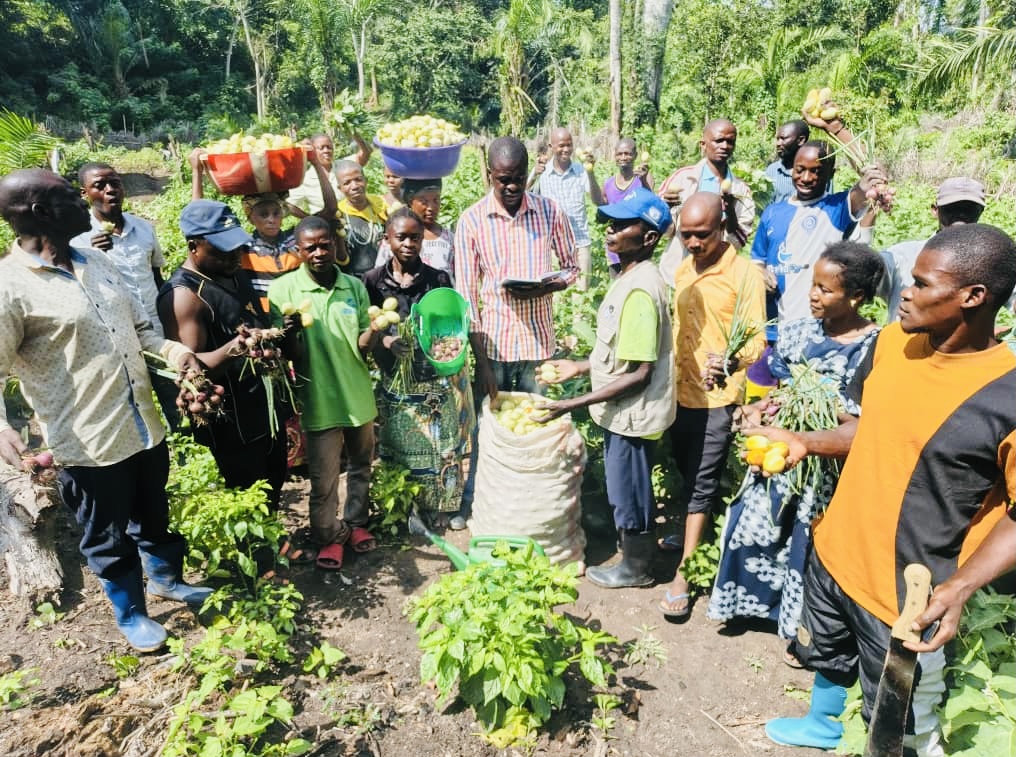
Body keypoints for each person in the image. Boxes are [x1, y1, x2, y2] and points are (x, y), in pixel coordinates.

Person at [752, 223, 1016, 756]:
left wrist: (960, 588)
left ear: (972, 297)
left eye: (921, 284)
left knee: (898, 721)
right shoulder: (894, 343)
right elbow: (867, 427)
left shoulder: (1006, 394)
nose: (905, 294)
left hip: (907, 593)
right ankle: (823, 726)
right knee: (827, 655)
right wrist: (805, 442)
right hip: (838, 551)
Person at [0, 169, 210, 652]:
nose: (83, 201)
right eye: (70, 196)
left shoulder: (96, 260)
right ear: (42, 212)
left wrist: (177, 354)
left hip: (143, 422)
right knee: (106, 534)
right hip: (88, 439)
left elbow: (142, 332)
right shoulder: (10, 287)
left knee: (153, 513)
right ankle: (131, 611)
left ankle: (167, 580)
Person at [706, 242, 883, 646]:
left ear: (856, 297)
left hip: (825, 463)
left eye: (825, 289)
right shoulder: (798, 332)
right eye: (813, 285)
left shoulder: (874, 347)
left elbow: (862, 420)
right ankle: (746, 605)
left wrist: (819, 406)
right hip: (778, 450)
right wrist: (760, 409)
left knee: (807, 539)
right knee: (754, 522)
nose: (813, 295)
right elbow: (780, 389)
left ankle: (797, 628)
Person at [537, 187, 674, 588]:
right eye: (610, 223)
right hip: (625, 410)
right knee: (627, 483)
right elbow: (621, 356)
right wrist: (579, 366)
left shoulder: (640, 291)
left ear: (649, 237)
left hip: (632, 414)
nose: (610, 231)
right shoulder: (630, 276)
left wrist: (571, 405)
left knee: (629, 487)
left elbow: (639, 374)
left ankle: (636, 569)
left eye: (622, 225)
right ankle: (632, 552)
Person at [452, 135, 578, 530]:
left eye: (518, 178)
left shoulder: (549, 212)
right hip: (494, 345)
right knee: (485, 430)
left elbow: (572, 266)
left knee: (535, 428)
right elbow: (466, 298)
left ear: (527, 174)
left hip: (538, 345)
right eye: (503, 179)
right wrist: (481, 363)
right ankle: (473, 502)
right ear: (489, 175)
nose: (511, 187)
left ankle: (531, 510)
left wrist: (547, 287)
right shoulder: (472, 220)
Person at [657, 193, 767, 619]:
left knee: (703, 482)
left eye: (701, 235)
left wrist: (731, 360)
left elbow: (756, 338)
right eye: (685, 235)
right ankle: (692, 537)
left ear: (722, 227)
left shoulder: (744, 274)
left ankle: (685, 574)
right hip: (679, 392)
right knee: (687, 471)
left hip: (717, 398)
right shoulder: (684, 268)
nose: (693, 243)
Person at [157, 200, 290, 511]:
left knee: (274, 483)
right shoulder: (185, 297)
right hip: (235, 424)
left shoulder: (230, 270)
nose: (234, 256)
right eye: (223, 249)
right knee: (248, 500)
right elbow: (193, 374)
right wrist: (236, 348)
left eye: (236, 248)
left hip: (265, 408)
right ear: (194, 246)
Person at [267, 216, 381, 571]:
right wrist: (288, 333)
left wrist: (375, 329)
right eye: (310, 247)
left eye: (324, 245)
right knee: (323, 478)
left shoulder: (353, 286)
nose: (319, 253)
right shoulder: (283, 291)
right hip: (319, 399)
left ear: (334, 244)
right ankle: (329, 535)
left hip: (357, 394)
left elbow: (361, 345)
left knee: (361, 465)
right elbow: (290, 355)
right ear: (298, 250)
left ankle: (356, 522)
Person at [364, 208, 475, 520]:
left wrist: (445, 349)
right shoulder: (372, 281)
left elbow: (448, 321)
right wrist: (387, 340)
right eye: (401, 237)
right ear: (387, 239)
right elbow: (367, 324)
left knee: (442, 446)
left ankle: (444, 506)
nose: (409, 244)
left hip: (432, 376)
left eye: (415, 237)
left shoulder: (437, 278)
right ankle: (404, 506)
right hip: (395, 375)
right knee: (401, 445)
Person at [751, 141, 886, 342]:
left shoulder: (837, 208)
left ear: (831, 174)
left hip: (816, 332)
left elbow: (870, 181)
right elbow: (757, 260)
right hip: (772, 329)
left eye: (816, 171)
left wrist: (834, 128)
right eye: (800, 170)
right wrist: (760, 273)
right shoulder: (772, 212)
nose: (806, 178)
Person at [189, 143, 341, 311]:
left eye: (276, 213)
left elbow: (330, 210)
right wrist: (197, 172)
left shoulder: (295, 241)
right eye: (263, 214)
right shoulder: (244, 248)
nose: (271, 220)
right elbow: (199, 226)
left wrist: (316, 163)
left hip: (302, 317)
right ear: (250, 218)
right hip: (263, 321)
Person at [71, 162, 166, 336]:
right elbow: (75, 292)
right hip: (116, 330)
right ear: (84, 193)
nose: (110, 190)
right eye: (99, 185)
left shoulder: (144, 227)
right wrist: (92, 256)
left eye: (115, 184)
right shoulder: (78, 238)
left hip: (156, 323)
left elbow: (156, 276)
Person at [657, 119, 755, 283]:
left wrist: (730, 209)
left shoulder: (740, 190)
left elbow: (738, 239)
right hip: (677, 275)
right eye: (719, 141)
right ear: (703, 145)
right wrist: (665, 207)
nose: (724, 146)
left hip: (718, 277)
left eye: (730, 142)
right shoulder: (682, 178)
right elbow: (666, 230)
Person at [880, 177, 985, 321]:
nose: (961, 216)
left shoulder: (988, 261)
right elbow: (860, 274)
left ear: (981, 212)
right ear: (935, 210)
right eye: (952, 208)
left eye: (969, 210)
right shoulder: (902, 255)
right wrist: (868, 213)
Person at [528, 128, 601, 289]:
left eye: (569, 145)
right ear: (551, 146)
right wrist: (533, 176)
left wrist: (590, 172)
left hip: (580, 244)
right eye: (561, 145)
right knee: (555, 296)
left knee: (580, 298)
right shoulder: (542, 172)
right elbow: (522, 198)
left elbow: (598, 201)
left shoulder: (581, 170)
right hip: (552, 247)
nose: (566, 149)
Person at [375, 178, 455, 277]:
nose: (431, 207)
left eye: (436, 200)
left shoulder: (450, 239)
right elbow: (378, 275)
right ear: (410, 200)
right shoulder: (394, 236)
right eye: (424, 202)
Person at [285, 132, 372, 216]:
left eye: (329, 147)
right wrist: (308, 218)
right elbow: (289, 205)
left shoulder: (344, 166)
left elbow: (366, 153)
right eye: (321, 148)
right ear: (312, 151)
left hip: (353, 217)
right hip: (327, 223)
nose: (326, 151)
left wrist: (353, 132)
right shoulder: (305, 179)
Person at [602, 138, 653, 275]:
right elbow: (603, 207)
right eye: (620, 154)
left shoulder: (644, 178)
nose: (623, 157)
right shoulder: (608, 183)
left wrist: (643, 180)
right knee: (617, 285)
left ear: (635, 155)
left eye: (628, 153)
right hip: (616, 247)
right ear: (615, 156)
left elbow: (650, 202)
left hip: (637, 246)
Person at [335, 160, 388, 277]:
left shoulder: (381, 206)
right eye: (347, 183)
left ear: (366, 181)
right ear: (340, 188)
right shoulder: (338, 215)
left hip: (384, 277)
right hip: (353, 278)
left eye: (358, 179)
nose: (354, 186)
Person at [764, 121, 810, 205]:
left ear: (801, 140)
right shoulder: (772, 170)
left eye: (783, 139)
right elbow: (765, 205)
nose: (778, 143)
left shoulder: (817, 172)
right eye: (777, 139)